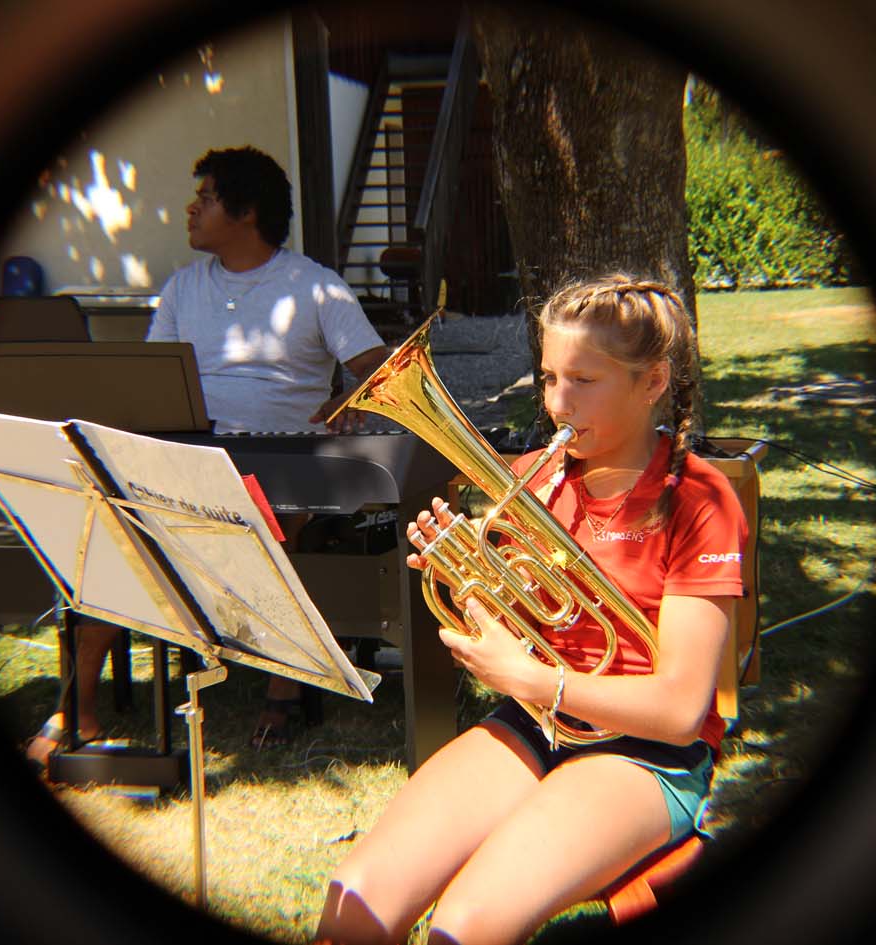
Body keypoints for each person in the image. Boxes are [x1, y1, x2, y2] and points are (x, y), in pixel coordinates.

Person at [312, 275, 749, 945]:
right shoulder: (535, 480)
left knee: (464, 928)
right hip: (536, 721)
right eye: (548, 378)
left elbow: (679, 710)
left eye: (583, 381)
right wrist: (468, 581)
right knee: (356, 906)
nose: (556, 403)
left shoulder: (699, 499)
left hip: (646, 752)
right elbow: (524, 629)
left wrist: (529, 678)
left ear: (653, 381)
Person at [26, 145, 388, 768]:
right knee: (110, 532)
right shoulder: (183, 287)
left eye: (208, 198)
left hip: (282, 466)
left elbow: (377, 367)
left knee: (270, 523)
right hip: (186, 456)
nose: (192, 209)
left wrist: (345, 400)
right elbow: (151, 379)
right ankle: (76, 706)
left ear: (246, 213)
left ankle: (282, 690)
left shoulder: (315, 287)